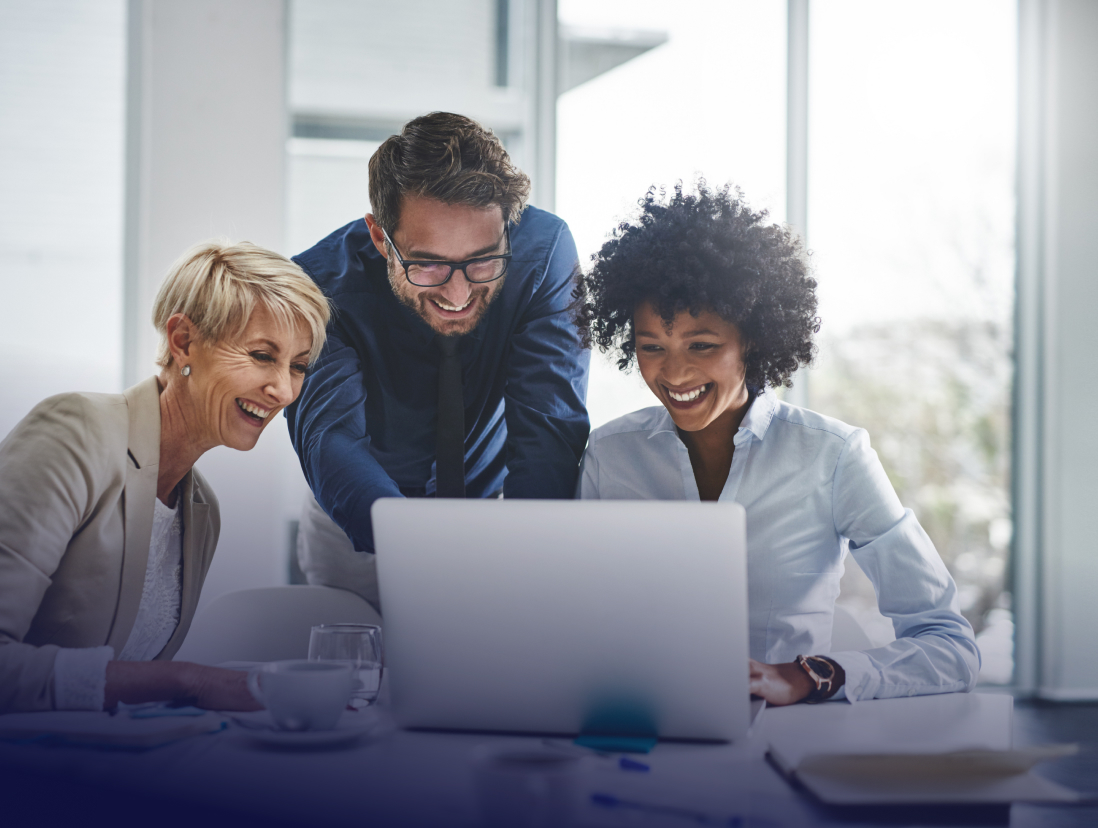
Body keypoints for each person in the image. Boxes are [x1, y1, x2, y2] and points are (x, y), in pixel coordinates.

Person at [0, 241, 331, 741]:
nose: (284, 390)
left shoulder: (200, 511)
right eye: (262, 356)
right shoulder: (73, 432)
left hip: (54, 773)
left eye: (298, 366)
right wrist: (187, 680)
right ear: (183, 340)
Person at [573, 182, 979, 704]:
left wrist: (808, 676)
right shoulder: (610, 456)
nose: (673, 372)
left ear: (755, 338)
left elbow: (950, 646)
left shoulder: (832, 456)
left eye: (702, 344)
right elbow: (577, 623)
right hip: (641, 726)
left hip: (786, 738)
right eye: (652, 347)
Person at [288, 112, 590, 609]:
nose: (457, 291)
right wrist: (421, 550)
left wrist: (527, 555)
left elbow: (548, 428)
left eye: (482, 260)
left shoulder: (543, 253)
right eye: (427, 263)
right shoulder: (316, 285)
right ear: (380, 236)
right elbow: (331, 438)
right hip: (359, 525)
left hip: (497, 514)